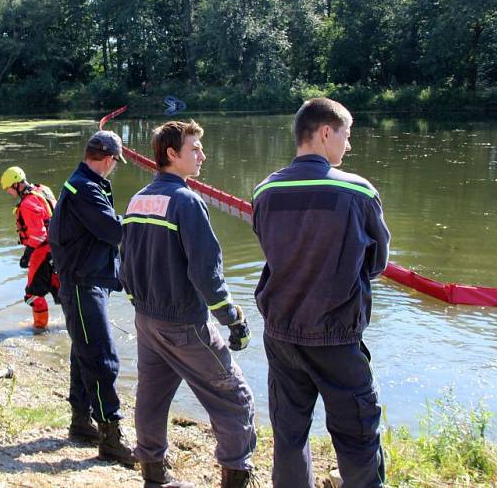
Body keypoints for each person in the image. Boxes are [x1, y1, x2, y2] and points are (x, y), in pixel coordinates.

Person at [252, 98, 391, 488]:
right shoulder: (358, 192)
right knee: (357, 435)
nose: (349, 146)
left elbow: (270, 251)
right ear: (326, 132)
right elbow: (376, 263)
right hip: (336, 336)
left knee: (289, 435)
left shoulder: (265, 190)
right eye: (346, 135)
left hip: (280, 333)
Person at [120, 120, 257, 488]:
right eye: (194, 148)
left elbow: (125, 264)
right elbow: (206, 273)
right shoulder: (187, 201)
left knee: (152, 395)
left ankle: (154, 474)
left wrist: (139, 303)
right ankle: (236, 474)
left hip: (147, 321)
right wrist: (233, 319)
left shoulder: (137, 200)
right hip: (184, 323)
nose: (202, 155)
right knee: (234, 397)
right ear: (171, 154)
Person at [48, 130, 136, 467]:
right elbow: (114, 231)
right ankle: (111, 436)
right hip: (82, 282)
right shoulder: (85, 188)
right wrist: (146, 223)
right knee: (102, 356)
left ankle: (81, 422)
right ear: (110, 158)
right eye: (116, 162)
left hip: (84, 279)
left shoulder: (84, 183)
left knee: (82, 352)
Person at [0, 166, 61, 332]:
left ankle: (40, 329)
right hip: (59, 248)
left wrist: (26, 256)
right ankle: (76, 324)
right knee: (62, 290)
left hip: (42, 251)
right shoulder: (43, 190)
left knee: (32, 295)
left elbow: (38, 235)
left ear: (16, 185)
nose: (9, 193)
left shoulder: (27, 204)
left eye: (9, 189)